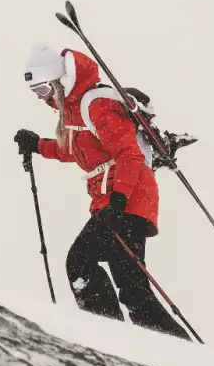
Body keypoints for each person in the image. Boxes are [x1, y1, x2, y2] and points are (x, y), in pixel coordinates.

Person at [14, 43, 188, 338]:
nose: (42, 98)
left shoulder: (94, 104)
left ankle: (108, 335)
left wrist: (118, 201)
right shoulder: (73, 111)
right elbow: (80, 151)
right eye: (36, 93)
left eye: (43, 89)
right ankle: (175, 350)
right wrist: (39, 146)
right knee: (133, 290)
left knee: (80, 260)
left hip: (126, 198)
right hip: (119, 200)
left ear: (58, 81)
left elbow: (129, 155)